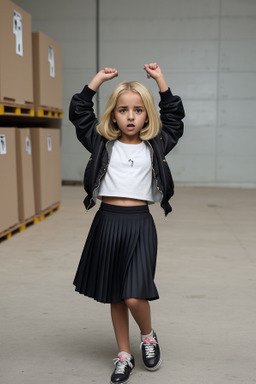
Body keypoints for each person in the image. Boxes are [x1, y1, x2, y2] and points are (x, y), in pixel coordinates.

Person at [69, 63, 185, 384]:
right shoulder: (101, 143)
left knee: (135, 295)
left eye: (137, 110)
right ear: (113, 115)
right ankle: (124, 355)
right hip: (106, 223)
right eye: (123, 110)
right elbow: (79, 111)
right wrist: (98, 80)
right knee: (116, 295)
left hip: (139, 224)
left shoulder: (156, 145)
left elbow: (174, 117)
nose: (130, 116)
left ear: (147, 115)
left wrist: (160, 79)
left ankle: (147, 336)